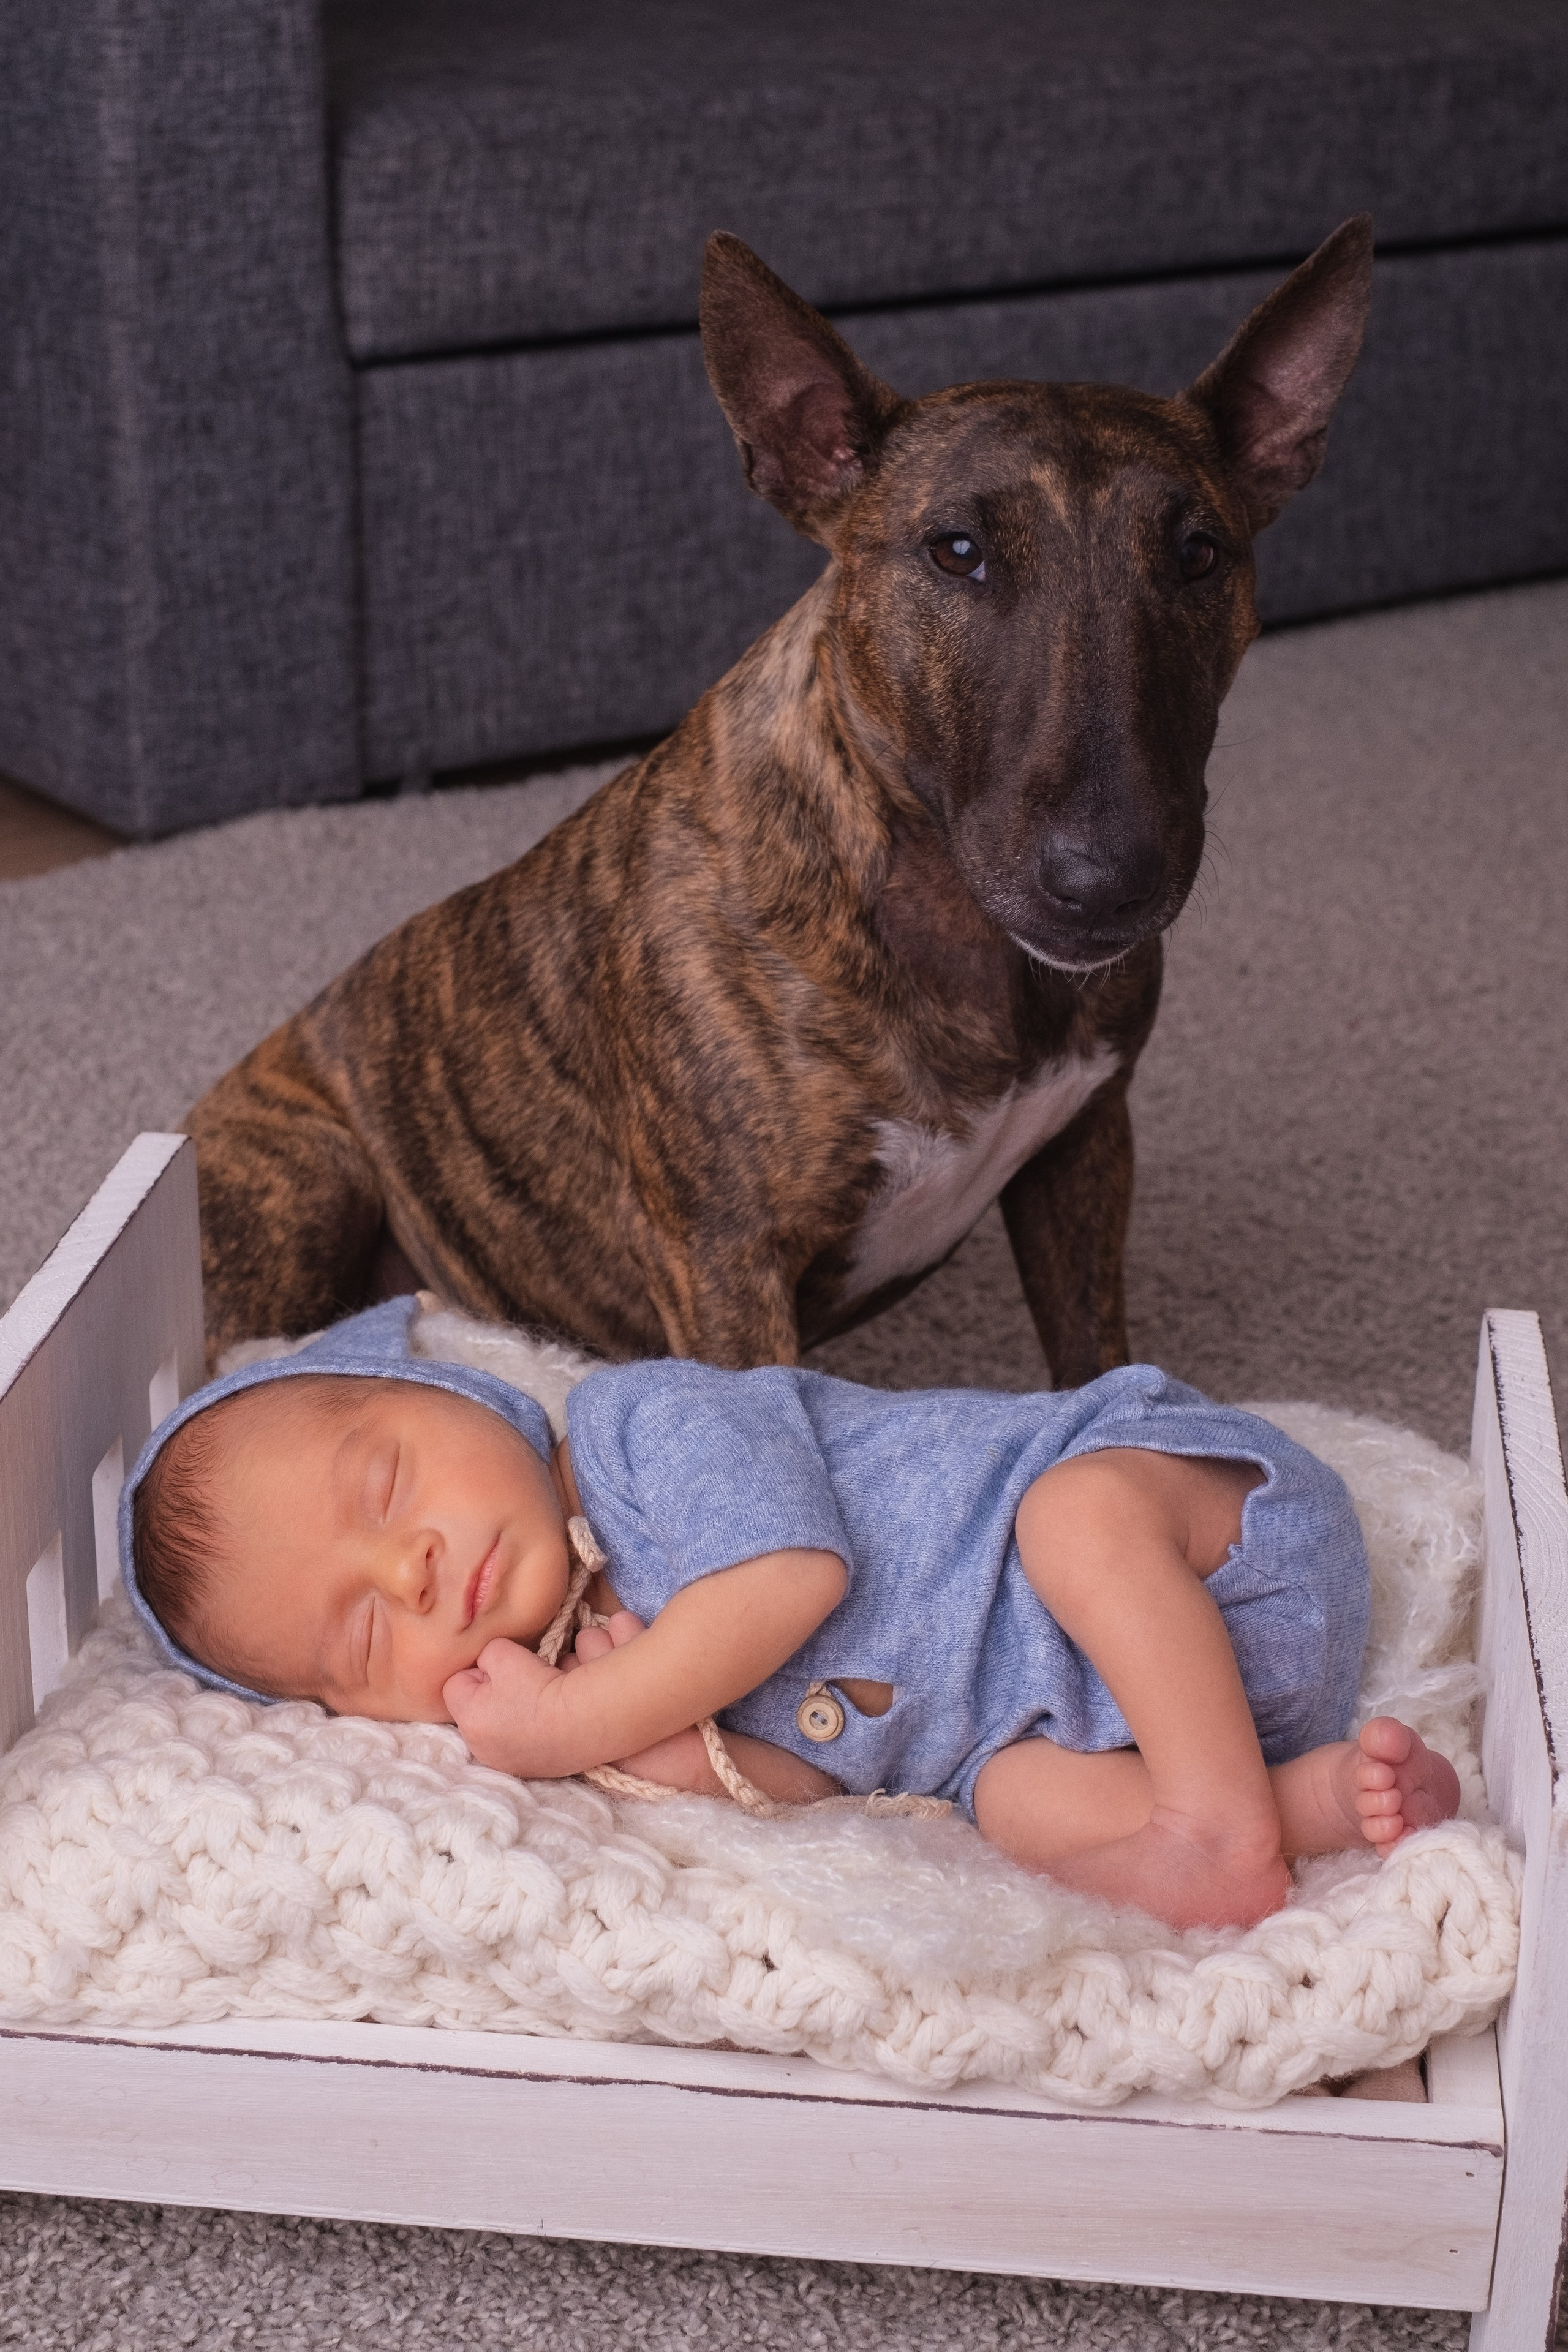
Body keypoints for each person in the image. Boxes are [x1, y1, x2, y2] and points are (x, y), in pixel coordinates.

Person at [120, 1298, 1460, 1931]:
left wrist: (583, 1716)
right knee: (1008, 1810)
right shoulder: (613, 1659)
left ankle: (1210, 1827)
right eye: (362, 1637)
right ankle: (1296, 1805)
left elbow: (788, 1581)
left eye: (385, 1481)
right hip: (1153, 1716)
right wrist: (677, 1764)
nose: (408, 1570)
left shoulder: (644, 1428)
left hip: (1206, 1533)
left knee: (1073, 1522)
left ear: (468, 1400)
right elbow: (828, 1778)